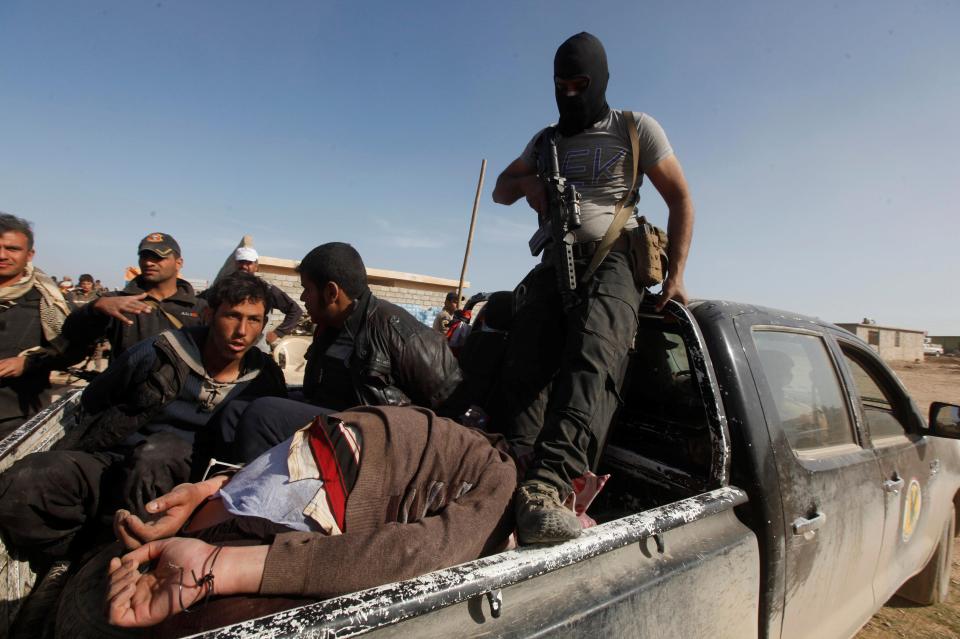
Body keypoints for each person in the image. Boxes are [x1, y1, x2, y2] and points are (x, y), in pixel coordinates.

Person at [491, 32, 695, 543]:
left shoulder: (634, 128)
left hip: (616, 256)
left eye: (581, 84)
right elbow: (500, 190)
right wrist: (530, 185)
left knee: (593, 358)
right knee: (522, 361)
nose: (571, 95)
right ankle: (513, 468)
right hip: (555, 261)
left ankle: (548, 486)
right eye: (561, 86)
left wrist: (676, 275)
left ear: (600, 81)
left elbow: (681, 199)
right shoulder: (545, 141)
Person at [105, 405, 515, 631]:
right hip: (280, 511)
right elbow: (410, 554)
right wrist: (218, 566)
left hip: (254, 489)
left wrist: (210, 491)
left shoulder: (427, 427)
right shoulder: (502, 478)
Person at [0, 272, 287, 566]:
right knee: (25, 482)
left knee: (160, 454)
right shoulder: (160, 352)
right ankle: (76, 558)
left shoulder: (264, 379)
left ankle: (108, 560)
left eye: (254, 320)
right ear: (208, 314)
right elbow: (95, 399)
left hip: (186, 492)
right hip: (115, 464)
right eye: (232, 316)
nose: (242, 330)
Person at [216, 242, 464, 464]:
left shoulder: (404, 334)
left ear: (332, 292)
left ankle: (253, 508)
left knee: (263, 414)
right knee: (235, 410)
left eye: (307, 290)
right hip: (336, 425)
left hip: (375, 445)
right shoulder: (330, 328)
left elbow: (452, 410)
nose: (303, 298)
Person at [52, 232, 206, 365]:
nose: (148, 263)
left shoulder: (200, 308)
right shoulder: (116, 301)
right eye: (144, 256)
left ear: (179, 263)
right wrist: (93, 309)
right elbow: (71, 335)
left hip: (181, 397)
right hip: (125, 396)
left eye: (159, 257)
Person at [0, 213, 71, 437]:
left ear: (30, 254)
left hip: (17, 417)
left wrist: (28, 363)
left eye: (12, 249)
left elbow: (69, 351)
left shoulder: (47, 302)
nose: (2, 255)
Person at [232, 246, 303, 348]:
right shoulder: (224, 287)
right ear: (235, 264)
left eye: (249, 263)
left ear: (256, 266)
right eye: (241, 262)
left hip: (255, 349)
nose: (244, 266)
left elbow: (295, 311)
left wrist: (277, 333)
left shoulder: (267, 290)